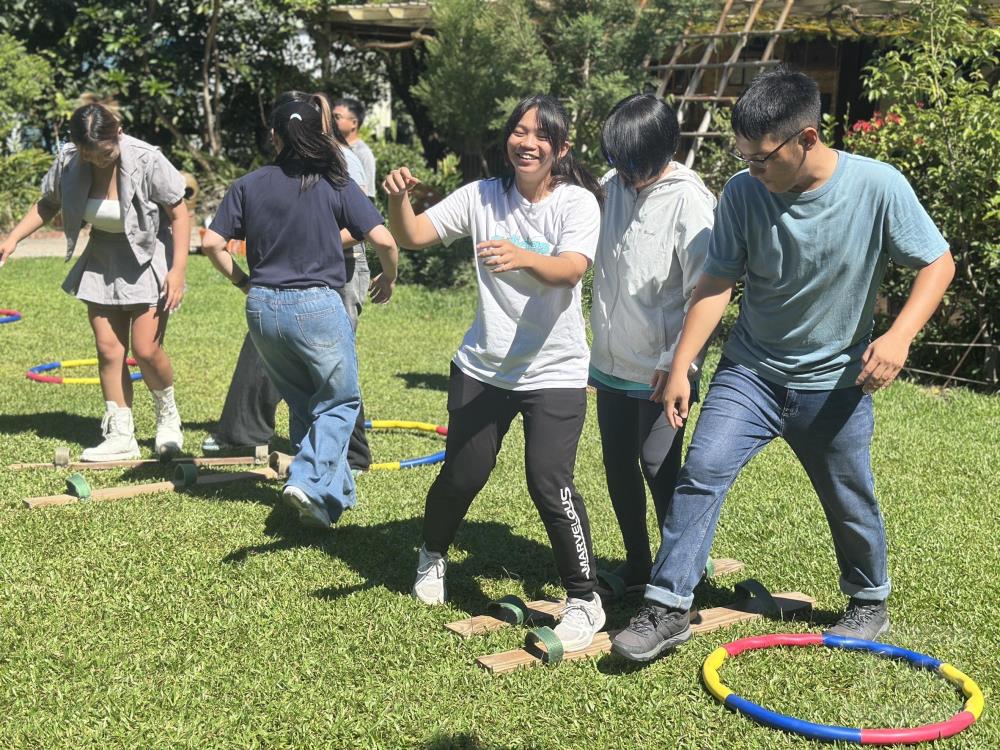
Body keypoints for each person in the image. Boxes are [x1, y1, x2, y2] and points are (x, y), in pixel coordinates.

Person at [611, 68, 955, 663]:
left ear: (808, 139)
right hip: (751, 372)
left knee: (848, 494)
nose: (750, 170)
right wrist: (680, 366)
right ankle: (668, 607)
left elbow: (937, 263)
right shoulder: (746, 194)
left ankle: (869, 599)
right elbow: (718, 280)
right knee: (701, 474)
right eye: (742, 156)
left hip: (835, 382)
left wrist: (899, 337)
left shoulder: (878, 187)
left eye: (761, 158)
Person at [384, 94, 606, 652]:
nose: (526, 142)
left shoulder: (576, 203)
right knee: (462, 474)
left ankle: (585, 599)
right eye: (518, 131)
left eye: (539, 135)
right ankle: (432, 556)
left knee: (548, 481)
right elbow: (411, 236)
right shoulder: (482, 195)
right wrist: (398, 202)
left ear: (560, 148)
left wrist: (523, 256)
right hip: (483, 366)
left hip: (554, 369)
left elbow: (571, 268)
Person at [201, 93, 399, 528]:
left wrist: (242, 281)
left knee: (305, 403)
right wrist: (391, 274)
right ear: (320, 133)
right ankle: (307, 479)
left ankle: (328, 503)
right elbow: (384, 240)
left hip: (262, 308)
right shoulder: (336, 181)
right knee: (341, 401)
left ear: (274, 136)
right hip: (317, 305)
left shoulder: (249, 184)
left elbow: (211, 244)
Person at [0, 95, 189, 461]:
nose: (99, 160)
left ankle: (168, 419)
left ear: (117, 133)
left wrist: (177, 270)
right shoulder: (70, 159)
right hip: (102, 258)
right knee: (107, 349)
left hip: (149, 257)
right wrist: (12, 239)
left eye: (104, 152)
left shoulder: (147, 158)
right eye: (90, 154)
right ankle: (121, 435)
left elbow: (179, 213)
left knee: (146, 350)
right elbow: (47, 203)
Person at [588, 94, 715, 598]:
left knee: (658, 464)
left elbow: (704, 291)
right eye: (615, 161)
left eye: (631, 164)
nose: (622, 173)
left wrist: (679, 364)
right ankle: (640, 563)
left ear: (663, 151)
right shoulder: (609, 187)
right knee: (618, 465)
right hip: (612, 359)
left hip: (666, 367)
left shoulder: (690, 200)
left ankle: (682, 571)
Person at [332, 97, 377, 198]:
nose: (332, 120)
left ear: (354, 123)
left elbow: (368, 195)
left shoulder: (363, 153)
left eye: (337, 117)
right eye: (331, 116)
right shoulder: (330, 147)